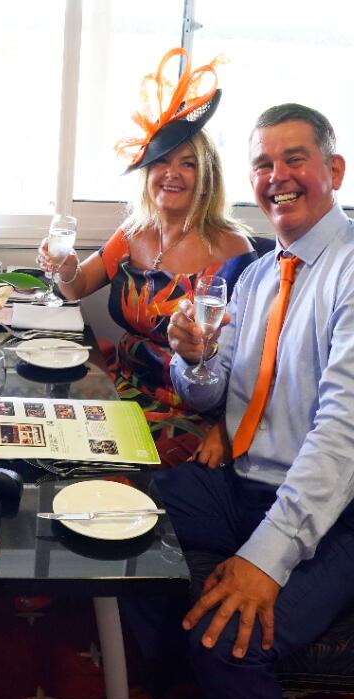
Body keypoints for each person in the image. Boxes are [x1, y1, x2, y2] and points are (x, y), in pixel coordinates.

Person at [162, 102, 354, 699]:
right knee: (124, 518)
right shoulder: (257, 276)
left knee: (228, 643)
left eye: (295, 159)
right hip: (243, 483)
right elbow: (214, 392)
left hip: (336, 515)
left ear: (335, 170)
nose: (278, 177)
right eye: (263, 165)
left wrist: (264, 561)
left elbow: (342, 435)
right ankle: (162, 685)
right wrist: (195, 359)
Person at [38, 48, 255, 466]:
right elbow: (77, 286)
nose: (171, 173)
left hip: (186, 411)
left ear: (207, 178)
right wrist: (67, 268)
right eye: (161, 162)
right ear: (148, 173)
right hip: (119, 383)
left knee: (95, 465)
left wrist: (227, 426)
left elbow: (250, 360)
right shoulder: (134, 231)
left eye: (187, 164)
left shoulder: (233, 250)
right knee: (50, 431)